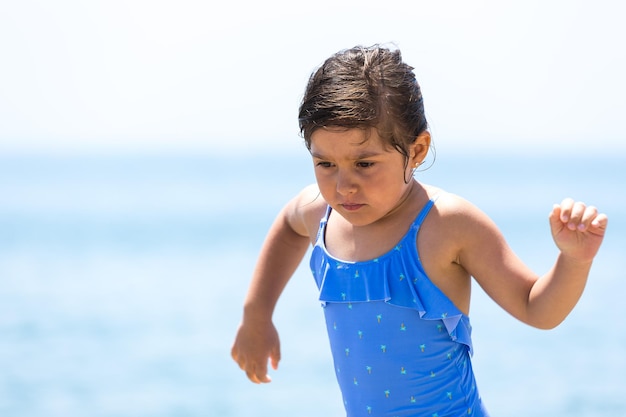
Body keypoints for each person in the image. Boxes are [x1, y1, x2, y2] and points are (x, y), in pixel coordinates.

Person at [230, 45, 608, 417]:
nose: (344, 185)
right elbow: (287, 227)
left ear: (417, 150)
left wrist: (573, 259)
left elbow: (535, 306)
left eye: (364, 163)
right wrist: (256, 314)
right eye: (325, 163)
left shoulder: (446, 224)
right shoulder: (320, 213)